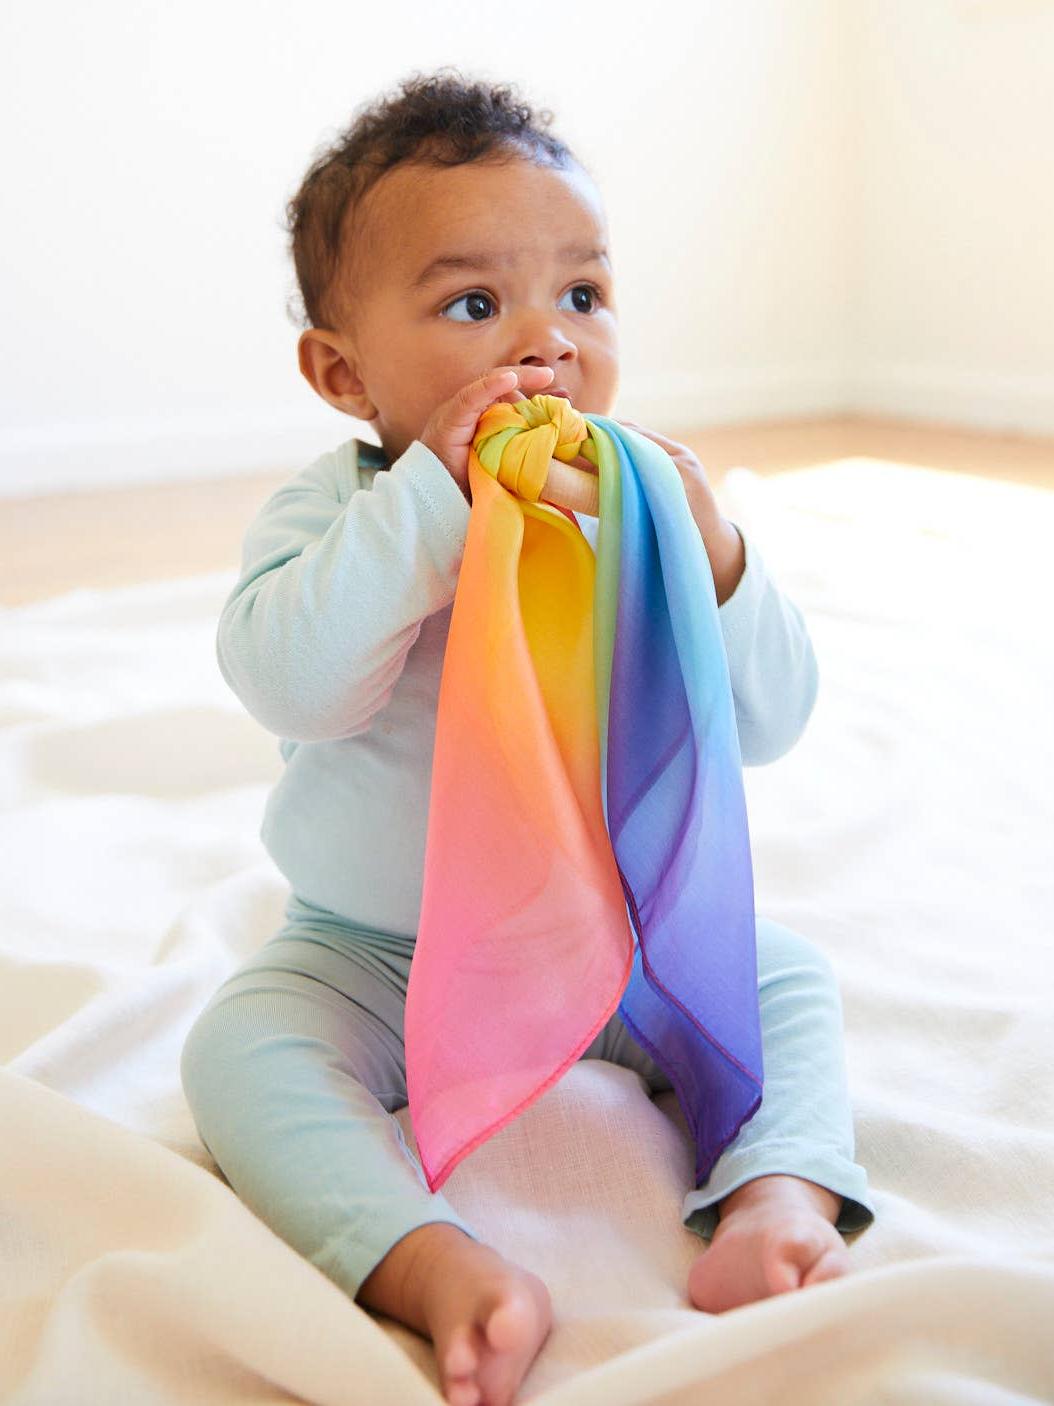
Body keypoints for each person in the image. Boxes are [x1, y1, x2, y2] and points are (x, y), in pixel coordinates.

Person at [180, 68, 876, 1406]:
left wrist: (712, 549)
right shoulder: (338, 519)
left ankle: (775, 1194)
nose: (544, 342)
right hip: (375, 944)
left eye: (581, 295)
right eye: (472, 304)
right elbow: (294, 683)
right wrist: (434, 505)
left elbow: (774, 720)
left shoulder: (641, 504)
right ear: (342, 371)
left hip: (612, 935)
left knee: (784, 981)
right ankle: (428, 1259)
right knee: (238, 1050)